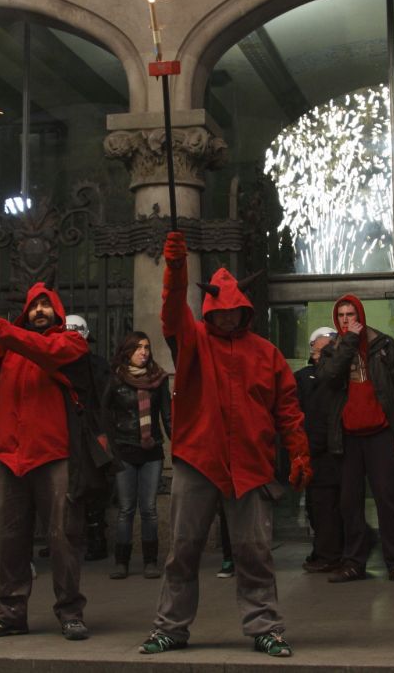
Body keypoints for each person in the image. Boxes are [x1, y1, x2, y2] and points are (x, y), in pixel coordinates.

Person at [140, 232, 311, 658]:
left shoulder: (266, 354)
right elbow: (171, 311)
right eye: (224, 310)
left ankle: (265, 627)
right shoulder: (193, 339)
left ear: (245, 311)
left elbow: (288, 409)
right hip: (197, 458)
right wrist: (176, 269)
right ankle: (171, 628)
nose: (230, 317)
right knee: (182, 548)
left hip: (250, 464)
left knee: (255, 552)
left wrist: (300, 450)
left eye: (237, 311)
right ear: (213, 309)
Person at [0, 270, 92, 641]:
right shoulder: (7, 344)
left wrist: (1, 326)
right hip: (10, 457)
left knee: (63, 536)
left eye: (45, 306)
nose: (38, 311)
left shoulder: (69, 343)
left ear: (57, 313)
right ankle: (10, 614)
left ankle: (70, 611)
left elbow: (43, 349)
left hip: (53, 455)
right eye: (34, 305)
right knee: (10, 537)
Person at [317, 294, 394, 584]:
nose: (346, 319)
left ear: (360, 315)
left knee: (387, 499)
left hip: (381, 433)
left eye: (351, 314)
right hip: (348, 436)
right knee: (349, 502)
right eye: (341, 315)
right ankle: (354, 562)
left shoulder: (384, 346)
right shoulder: (332, 350)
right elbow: (330, 379)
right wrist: (348, 342)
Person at [101, 331, 170, 579]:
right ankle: (122, 562)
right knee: (126, 509)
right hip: (124, 451)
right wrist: (110, 449)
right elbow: (104, 415)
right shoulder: (116, 379)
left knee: (149, 508)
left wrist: (180, 447)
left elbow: (167, 416)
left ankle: (151, 562)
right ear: (127, 352)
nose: (144, 352)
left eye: (147, 347)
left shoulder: (159, 379)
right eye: (139, 348)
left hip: (152, 452)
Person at [63, 314, 112, 563]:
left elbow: (104, 400)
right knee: (64, 487)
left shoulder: (98, 365)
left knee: (94, 489)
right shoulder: (56, 362)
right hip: (65, 433)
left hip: (91, 433)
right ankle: (63, 540)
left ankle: (96, 540)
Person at [295, 326, 343, 572]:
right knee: (317, 506)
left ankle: (332, 553)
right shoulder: (303, 377)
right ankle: (323, 551)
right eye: (322, 349)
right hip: (312, 449)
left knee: (332, 506)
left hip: (335, 450)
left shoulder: (341, 376)